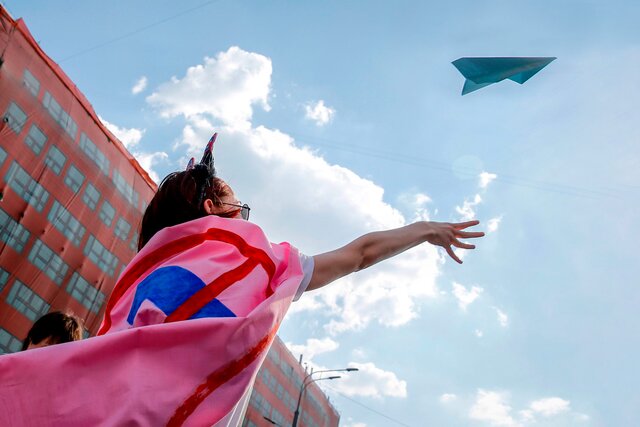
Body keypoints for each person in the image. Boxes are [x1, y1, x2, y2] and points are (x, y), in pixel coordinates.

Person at [0, 133, 483, 427]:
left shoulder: (138, 278)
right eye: (237, 206)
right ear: (212, 209)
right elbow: (358, 255)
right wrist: (423, 229)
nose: (243, 219)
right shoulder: (252, 260)